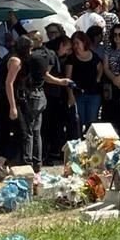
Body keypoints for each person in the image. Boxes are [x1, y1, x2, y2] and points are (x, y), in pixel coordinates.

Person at [7, 35, 71, 172]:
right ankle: (37, 162)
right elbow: (46, 76)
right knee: (37, 131)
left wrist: (13, 106)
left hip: (31, 96)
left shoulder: (27, 60)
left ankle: (28, 162)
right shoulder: (44, 56)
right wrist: (61, 82)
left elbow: (12, 81)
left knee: (29, 131)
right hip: (41, 95)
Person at [65, 31, 104, 135]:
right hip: (78, 94)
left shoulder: (94, 56)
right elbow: (68, 78)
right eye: (73, 43)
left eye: (77, 43)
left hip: (94, 93)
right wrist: (70, 95)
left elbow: (101, 68)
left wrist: (98, 78)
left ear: (84, 42)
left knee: (92, 122)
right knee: (79, 121)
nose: (75, 46)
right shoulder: (71, 58)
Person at [43, 34, 74, 162]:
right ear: (61, 45)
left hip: (54, 95)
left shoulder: (55, 56)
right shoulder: (51, 55)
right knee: (48, 126)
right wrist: (62, 82)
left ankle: (50, 153)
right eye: (67, 48)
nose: (67, 52)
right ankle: (46, 154)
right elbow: (45, 75)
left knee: (53, 126)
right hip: (49, 95)